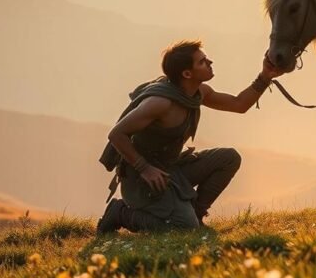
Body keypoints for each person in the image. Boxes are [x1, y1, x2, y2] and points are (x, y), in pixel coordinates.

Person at [96, 39, 285, 233]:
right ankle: (121, 213)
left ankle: (196, 214)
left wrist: (265, 76)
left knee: (229, 158)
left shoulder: (199, 92)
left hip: (171, 168)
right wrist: (144, 168)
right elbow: (116, 134)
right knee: (183, 228)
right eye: (202, 61)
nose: (210, 62)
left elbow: (239, 104)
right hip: (143, 181)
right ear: (187, 74)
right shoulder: (160, 103)